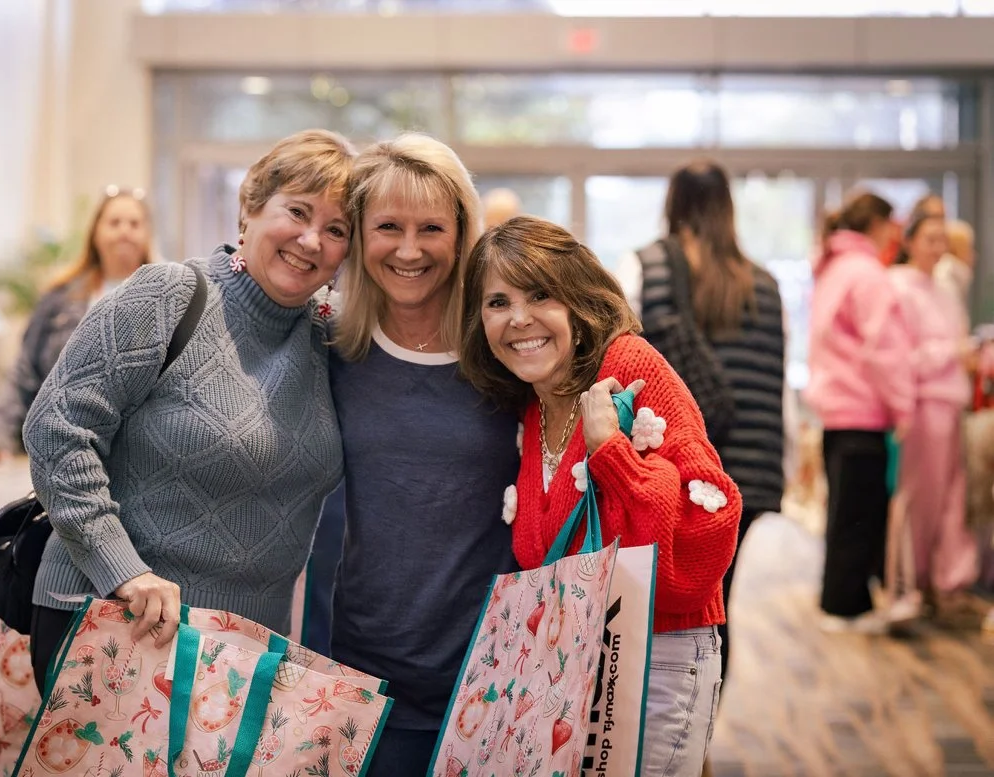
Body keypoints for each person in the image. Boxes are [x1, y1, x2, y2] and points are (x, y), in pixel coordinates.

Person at [21, 129, 355, 689]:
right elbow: (58, 429)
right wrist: (123, 572)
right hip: (119, 617)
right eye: (297, 212)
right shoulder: (169, 295)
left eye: (337, 229)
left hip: (249, 640)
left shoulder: (332, 337)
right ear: (248, 208)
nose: (311, 240)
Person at [459, 215, 742, 777]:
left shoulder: (627, 369)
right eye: (497, 302)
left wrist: (612, 453)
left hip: (654, 661)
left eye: (539, 294)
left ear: (576, 299)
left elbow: (708, 529)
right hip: (573, 667)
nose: (519, 319)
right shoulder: (534, 403)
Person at [327, 133, 519, 775]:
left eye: (431, 227)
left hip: (497, 675)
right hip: (362, 678)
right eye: (388, 227)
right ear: (357, 233)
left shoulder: (508, 349)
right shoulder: (330, 347)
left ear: (463, 233)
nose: (409, 250)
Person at [615, 160, 786, 684]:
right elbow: (773, 386)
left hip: (671, 469)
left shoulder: (645, 266)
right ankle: (700, 738)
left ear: (673, 202)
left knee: (650, 605)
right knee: (716, 606)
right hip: (747, 473)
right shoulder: (765, 284)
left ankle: (650, 736)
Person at [804, 192, 914, 633]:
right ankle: (844, 607)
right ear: (879, 224)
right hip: (862, 411)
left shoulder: (833, 268)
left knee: (846, 513)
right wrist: (902, 405)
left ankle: (846, 602)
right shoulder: (866, 273)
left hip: (837, 412)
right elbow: (884, 349)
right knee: (857, 515)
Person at [0, 187, 154, 460]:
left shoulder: (164, 299)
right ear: (96, 233)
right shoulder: (59, 298)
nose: (124, 231)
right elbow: (26, 367)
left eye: (134, 224)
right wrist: (0, 433)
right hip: (65, 442)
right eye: (114, 223)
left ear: (146, 234)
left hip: (137, 448)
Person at [889, 213, 980, 615]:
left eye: (943, 239)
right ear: (910, 241)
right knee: (917, 500)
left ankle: (940, 583)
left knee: (949, 500)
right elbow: (902, 357)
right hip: (923, 405)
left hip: (951, 402)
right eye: (930, 238)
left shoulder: (942, 291)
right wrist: (950, 353)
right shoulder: (899, 288)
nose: (938, 248)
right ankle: (905, 586)